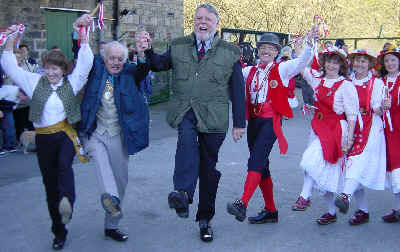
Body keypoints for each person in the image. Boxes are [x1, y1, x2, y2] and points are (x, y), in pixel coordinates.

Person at [140, 3, 246, 242]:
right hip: (185, 111)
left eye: (208, 19)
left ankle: (204, 219)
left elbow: (238, 90)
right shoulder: (179, 46)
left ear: (216, 24)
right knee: (186, 144)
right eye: (199, 17)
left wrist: (240, 123)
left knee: (208, 170)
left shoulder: (230, 52)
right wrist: (147, 51)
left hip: (214, 118)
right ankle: (183, 193)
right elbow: (158, 64)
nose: (203, 22)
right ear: (194, 21)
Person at [1, 15, 93, 250]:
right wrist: (10, 40)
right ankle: (59, 231)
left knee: (64, 168)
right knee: (50, 184)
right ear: (45, 68)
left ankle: (67, 203)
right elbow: (10, 65)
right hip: (43, 139)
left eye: (57, 69)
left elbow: (85, 62)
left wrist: (84, 35)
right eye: (49, 68)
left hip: (64, 136)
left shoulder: (71, 83)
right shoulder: (34, 82)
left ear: (63, 70)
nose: (52, 73)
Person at [226, 30, 316, 224]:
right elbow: (230, 78)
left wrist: (309, 43)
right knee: (262, 166)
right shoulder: (249, 71)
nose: (266, 51)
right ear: (258, 50)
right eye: (263, 47)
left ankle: (243, 202)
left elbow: (302, 61)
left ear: (276, 52)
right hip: (254, 122)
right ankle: (271, 211)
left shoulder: (283, 69)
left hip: (271, 122)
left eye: (270, 48)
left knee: (256, 160)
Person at [79, 36, 151, 241]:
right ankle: (110, 198)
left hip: (119, 135)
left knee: (120, 180)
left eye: (120, 58)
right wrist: (81, 35)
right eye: (112, 58)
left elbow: (142, 70)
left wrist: (142, 53)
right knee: (102, 166)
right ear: (104, 58)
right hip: (95, 132)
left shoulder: (130, 72)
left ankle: (111, 226)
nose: (116, 62)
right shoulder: (95, 68)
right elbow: (81, 56)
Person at [292, 46, 359, 225]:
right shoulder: (317, 80)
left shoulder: (346, 86)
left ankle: (304, 196)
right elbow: (300, 66)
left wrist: (350, 139)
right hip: (318, 127)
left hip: (336, 129)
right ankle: (331, 212)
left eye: (336, 62)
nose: (331, 65)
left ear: (342, 66)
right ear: (324, 62)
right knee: (324, 174)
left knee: (310, 160)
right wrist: (303, 46)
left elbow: (352, 115)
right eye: (329, 61)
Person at [334, 49, 386, 225]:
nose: (360, 64)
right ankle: (363, 210)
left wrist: (383, 108)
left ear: (370, 64)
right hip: (350, 127)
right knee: (350, 167)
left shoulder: (376, 83)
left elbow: (377, 106)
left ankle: (346, 196)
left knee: (356, 160)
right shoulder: (346, 82)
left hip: (370, 127)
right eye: (357, 61)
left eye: (364, 61)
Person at [378, 46, 400, 223]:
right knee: (394, 172)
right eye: (387, 60)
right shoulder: (381, 82)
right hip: (386, 132)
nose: (390, 63)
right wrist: (380, 107)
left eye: (393, 59)